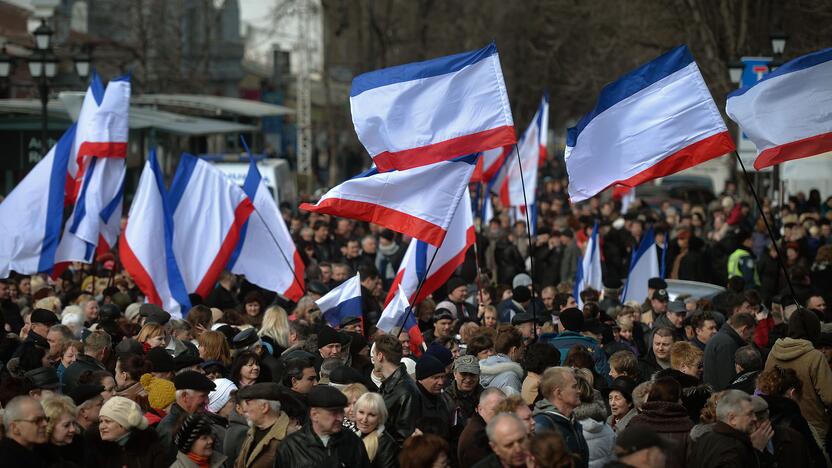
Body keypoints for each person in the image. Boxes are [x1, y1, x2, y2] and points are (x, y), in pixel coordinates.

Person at [763, 307, 832, 452]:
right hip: (813, 427)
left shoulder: (773, 354)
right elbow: (829, 397)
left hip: (779, 425)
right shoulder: (814, 356)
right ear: (814, 330)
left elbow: (765, 389)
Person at [274, 385, 370, 467]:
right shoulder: (290, 447)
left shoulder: (352, 441)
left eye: (341, 411)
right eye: (334, 413)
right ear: (314, 415)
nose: (340, 418)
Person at [689, 390, 773, 468]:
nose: (754, 418)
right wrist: (756, 451)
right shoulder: (732, 449)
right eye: (750, 414)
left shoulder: (704, 439)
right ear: (732, 419)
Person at [85, 396, 169, 468]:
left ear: (125, 423)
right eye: (101, 421)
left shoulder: (150, 445)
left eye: (108, 421)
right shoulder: (101, 449)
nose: (102, 427)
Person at [627, 377, 693, 467]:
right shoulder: (687, 426)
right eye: (679, 397)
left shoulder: (635, 423)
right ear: (674, 399)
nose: (681, 401)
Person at [533, 367, 590, 468]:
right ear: (558, 393)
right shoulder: (543, 425)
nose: (579, 391)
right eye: (574, 387)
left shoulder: (571, 421)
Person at [372, 334, 421, 445]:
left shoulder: (406, 391)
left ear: (380, 356)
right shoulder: (388, 385)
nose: (373, 359)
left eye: (374, 354)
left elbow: (404, 436)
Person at [234, 382, 290, 468]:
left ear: (264, 407)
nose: (244, 409)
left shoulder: (289, 436)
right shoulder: (252, 431)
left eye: (248, 403)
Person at [156, 371, 216, 450]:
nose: (207, 401)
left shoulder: (200, 417)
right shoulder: (170, 429)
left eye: (207, 395)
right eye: (203, 396)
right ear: (185, 396)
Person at [703, 312, 755, 390]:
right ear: (744, 329)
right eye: (751, 333)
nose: (751, 337)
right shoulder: (727, 344)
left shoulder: (722, 339)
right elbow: (728, 379)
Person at [458, 387, 506, 467]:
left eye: (503, 409)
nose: (500, 414)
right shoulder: (477, 436)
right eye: (495, 410)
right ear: (480, 409)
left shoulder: (483, 427)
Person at [0, 396, 49, 467]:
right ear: (15, 428)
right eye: (37, 420)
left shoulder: (42, 449)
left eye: (45, 419)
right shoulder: (5, 461)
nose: (45, 424)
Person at [354, 392, 399, 468]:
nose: (364, 419)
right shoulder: (353, 436)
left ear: (380, 417)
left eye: (371, 415)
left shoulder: (385, 443)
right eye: (361, 412)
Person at [479, 325, 524, 395]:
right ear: (514, 350)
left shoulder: (486, 366)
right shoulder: (510, 377)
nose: (523, 351)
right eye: (522, 347)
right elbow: (513, 404)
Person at [40, 395, 84, 466]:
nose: (73, 429)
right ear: (50, 426)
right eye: (66, 425)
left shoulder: (82, 444)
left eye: (74, 423)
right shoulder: (39, 453)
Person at [414, 355, 453, 433]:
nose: (441, 382)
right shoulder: (412, 402)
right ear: (421, 379)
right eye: (435, 378)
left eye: (443, 377)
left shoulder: (446, 400)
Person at [445, 355, 484, 429]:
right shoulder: (445, 399)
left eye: (472, 374)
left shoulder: (486, 398)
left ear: (479, 375)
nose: (468, 379)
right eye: (464, 374)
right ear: (455, 374)